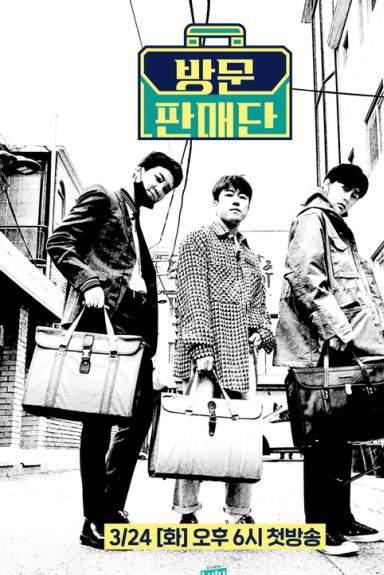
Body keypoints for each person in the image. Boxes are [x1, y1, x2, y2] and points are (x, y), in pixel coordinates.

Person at [47, 151, 183, 549]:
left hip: (135, 340)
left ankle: (110, 507)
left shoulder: (136, 223)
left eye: (166, 188)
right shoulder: (104, 197)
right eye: (157, 179)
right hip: (104, 329)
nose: (159, 190)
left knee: (139, 418)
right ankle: (94, 519)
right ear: (139, 172)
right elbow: (59, 242)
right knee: (98, 423)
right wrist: (88, 281)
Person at [274, 163, 384, 556]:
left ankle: (341, 518)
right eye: (344, 189)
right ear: (327, 184)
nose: (348, 198)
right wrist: (336, 332)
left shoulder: (336, 225)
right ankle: (320, 527)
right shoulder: (313, 218)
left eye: (355, 195)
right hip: (321, 345)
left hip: (342, 345)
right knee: (322, 436)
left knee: (340, 431)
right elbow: (305, 277)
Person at [173, 175, 275, 523]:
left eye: (243, 197)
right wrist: (201, 346)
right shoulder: (197, 240)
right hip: (204, 354)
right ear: (215, 202)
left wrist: (260, 332)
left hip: (241, 357)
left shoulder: (251, 254)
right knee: (195, 430)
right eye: (229, 195)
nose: (236, 201)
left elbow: (258, 304)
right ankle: (187, 511)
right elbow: (191, 296)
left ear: (248, 206)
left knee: (244, 434)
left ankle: (239, 511)